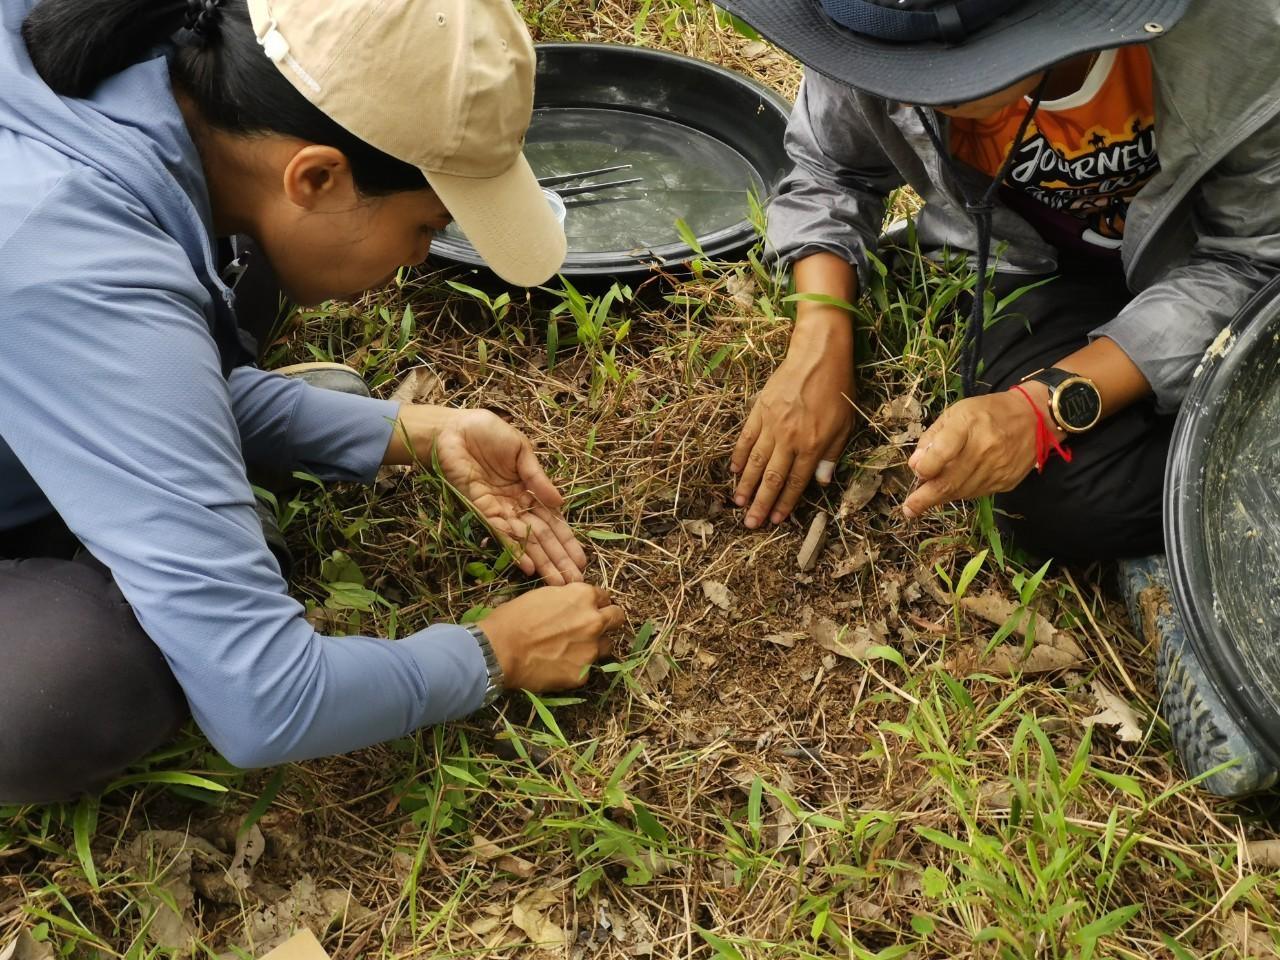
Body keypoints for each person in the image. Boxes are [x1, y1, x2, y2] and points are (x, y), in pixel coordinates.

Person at [0, 0, 625, 805]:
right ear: (319, 175)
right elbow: (264, 702)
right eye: (427, 227)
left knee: (251, 265)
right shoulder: (81, 263)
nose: (419, 259)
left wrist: (414, 431)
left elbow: (98, 367)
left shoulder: (147, 63)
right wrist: (491, 652)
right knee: (68, 692)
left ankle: (174, 516)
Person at [719, 0, 1280, 794]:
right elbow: (829, 169)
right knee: (1045, 494)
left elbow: (1250, 260)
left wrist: (1040, 408)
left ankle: (1203, 574)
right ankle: (1186, 545)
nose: (920, 92)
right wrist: (820, 339)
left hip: (1218, 272)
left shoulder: (1238, 33)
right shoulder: (876, 21)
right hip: (1037, 277)